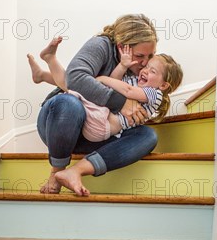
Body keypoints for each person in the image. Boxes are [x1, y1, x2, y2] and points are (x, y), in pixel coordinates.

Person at [32, 14, 161, 197]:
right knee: (69, 103)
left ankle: (74, 172)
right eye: (140, 56)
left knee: (148, 135)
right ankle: (57, 170)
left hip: (98, 132)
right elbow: (74, 78)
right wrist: (120, 102)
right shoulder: (100, 45)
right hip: (62, 123)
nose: (145, 63)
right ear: (121, 46)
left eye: (151, 55)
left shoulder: (143, 72)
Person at [28, 40, 183, 142]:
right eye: (147, 66)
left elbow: (127, 90)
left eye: (152, 71)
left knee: (75, 87)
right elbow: (114, 81)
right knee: (79, 86)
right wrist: (122, 66)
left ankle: (50, 60)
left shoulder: (154, 94)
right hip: (100, 117)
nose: (145, 70)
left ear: (163, 86)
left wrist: (101, 79)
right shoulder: (137, 81)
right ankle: (41, 75)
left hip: (101, 125)